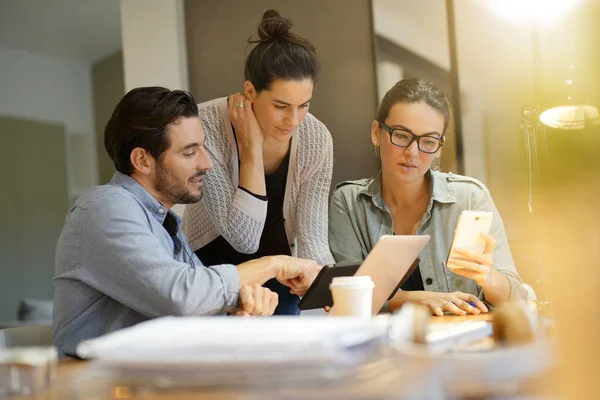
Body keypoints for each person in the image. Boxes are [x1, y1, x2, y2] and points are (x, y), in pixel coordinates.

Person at [53, 87, 321, 356]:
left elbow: (191, 312)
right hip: (95, 384)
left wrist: (238, 314)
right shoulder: (104, 206)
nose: (207, 163)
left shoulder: (166, 224)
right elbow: (181, 296)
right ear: (142, 160)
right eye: (190, 152)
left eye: (203, 147)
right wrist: (273, 264)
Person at [328, 78, 527, 317]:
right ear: (376, 133)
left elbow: (518, 296)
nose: (412, 152)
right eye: (401, 135)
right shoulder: (349, 202)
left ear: (439, 148)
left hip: (462, 340)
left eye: (428, 141)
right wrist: (416, 299)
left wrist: (488, 277)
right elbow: (347, 293)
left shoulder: (469, 198)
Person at [183, 10, 334, 315]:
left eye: (303, 105)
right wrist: (252, 147)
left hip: (281, 276)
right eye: (281, 106)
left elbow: (313, 237)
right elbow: (243, 238)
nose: (293, 120)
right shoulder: (205, 127)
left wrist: (322, 284)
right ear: (250, 91)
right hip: (212, 272)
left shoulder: (316, 137)